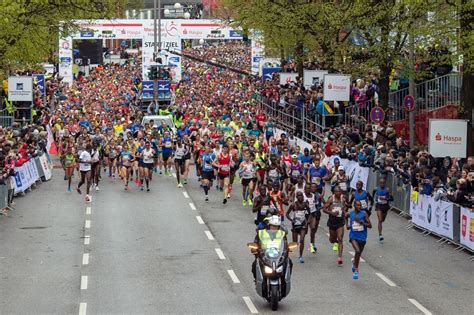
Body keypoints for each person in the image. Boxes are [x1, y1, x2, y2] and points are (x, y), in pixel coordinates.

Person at [252, 215, 291, 280]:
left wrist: (287, 249)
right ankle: (257, 280)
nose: (274, 228)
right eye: (272, 226)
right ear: (269, 225)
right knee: (255, 265)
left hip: (278, 256)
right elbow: (255, 242)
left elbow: (285, 245)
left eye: (276, 226)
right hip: (264, 255)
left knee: (289, 263)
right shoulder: (261, 233)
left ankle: (285, 280)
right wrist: (254, 248)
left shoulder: (281, 233)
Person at [346, 200, 372, 280]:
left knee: (358, 254)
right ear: (354, 205)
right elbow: (345, 217)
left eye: (360, 205)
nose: (359, 207)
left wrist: (362, 223)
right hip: (353, 236)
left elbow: (370, 225)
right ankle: (356, 270)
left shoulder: (364, 214)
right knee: (357, 251)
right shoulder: (351, 213)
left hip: (362, 237)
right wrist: (347, 225)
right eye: (357, 205)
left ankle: (354, 262)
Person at [323, 186, 347, 265]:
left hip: (340, 222)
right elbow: (324, 209)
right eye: (336, 192)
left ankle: (340, 257)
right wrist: (331, 213)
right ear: (334, 192)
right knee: (332, 240)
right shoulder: (331, 199)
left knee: (340, 238)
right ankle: (336, 242)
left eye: (339, 191)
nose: (338, 193)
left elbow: (344, 210)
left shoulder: (343, 199)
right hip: (332, 222)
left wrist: (346, 221)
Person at [286, 191, 310, 263]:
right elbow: (287, 214)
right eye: (299, 196)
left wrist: (307, 221)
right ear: (296, 197)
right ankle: (286, 251)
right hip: (295, 225)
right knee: (295, 242)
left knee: (302, 240)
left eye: (301, 196)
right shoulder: (293, 205)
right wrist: (291, 220)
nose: (300, 197)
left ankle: (301, 256)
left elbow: (310, 214)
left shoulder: (305, 205)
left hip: (303, 225)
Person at [373, 178, 392, 242]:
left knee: (383, 220)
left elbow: (391, 198)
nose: (382, 184)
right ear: (379, 183)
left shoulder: (387, 189)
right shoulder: (376, 189)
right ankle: (380, 235)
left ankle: (380, 233)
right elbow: (373, 193)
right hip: (378, 206)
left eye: (383, 183)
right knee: (380, 220)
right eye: (381, 183)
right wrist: (373, 200)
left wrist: (385, 198)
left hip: (385, 206)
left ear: (385, 183)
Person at [307, 183, 323, 253]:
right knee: (312, 228)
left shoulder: (318, 195)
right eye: (312, 187)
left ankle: (312, 243)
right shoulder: (307, 195)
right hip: (310, 214)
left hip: (317, 214)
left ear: (316, 188)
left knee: (314, 231)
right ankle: (312, 245)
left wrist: (320, 207)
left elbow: (325, 203)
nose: (313, 188)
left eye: (314, 187)